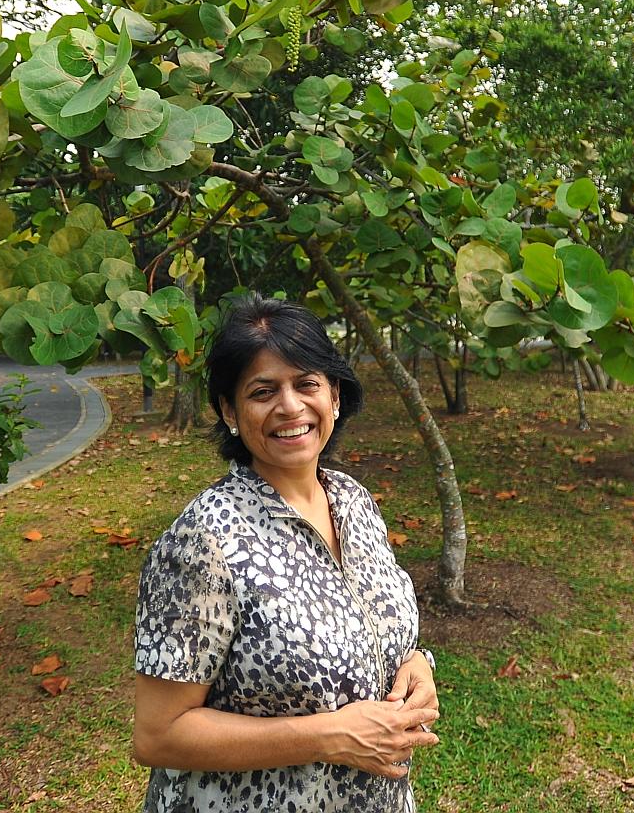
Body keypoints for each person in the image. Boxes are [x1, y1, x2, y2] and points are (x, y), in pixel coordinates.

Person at [132, 294, 440, 812]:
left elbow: (368, 621)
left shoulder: (351, 499)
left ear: (334, 396)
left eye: (307, 384)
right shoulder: (204, 538)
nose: (291, 407)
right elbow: (159, 735)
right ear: (229, 410)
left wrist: (414, 664)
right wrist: (330, 736)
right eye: (263, 391)